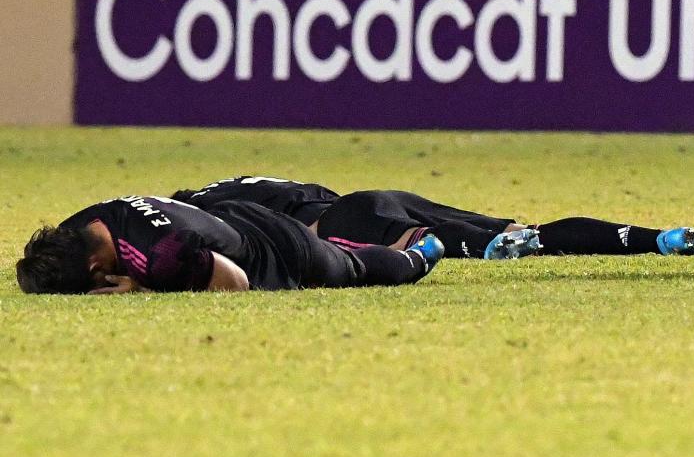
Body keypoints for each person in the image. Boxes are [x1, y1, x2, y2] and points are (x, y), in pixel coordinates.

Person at [170, 176, 694, 261]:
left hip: (351, 221)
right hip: (382, 197)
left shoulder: (210, 209)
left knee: (503, 251)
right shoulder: (255, 180)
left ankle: (660, 240)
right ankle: (658, 238)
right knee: (527, 235)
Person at [16, 194, 443, 295]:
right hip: (226, 215)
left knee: (351, 270)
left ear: (95, 272)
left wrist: (143, 290)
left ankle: (418, 255)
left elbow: (236, 283)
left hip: (274, 246)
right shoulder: (81, 225)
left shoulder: (159, 258)